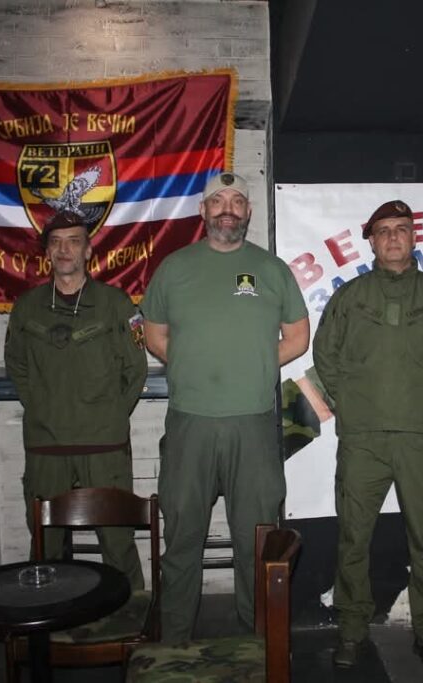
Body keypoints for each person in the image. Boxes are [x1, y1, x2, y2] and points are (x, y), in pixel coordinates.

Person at [142, 172, 310, 643]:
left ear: (248, 212)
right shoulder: (174, 268)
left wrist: (254, 362)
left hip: (252, 426)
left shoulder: (271, 269)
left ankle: (258, 642)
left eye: (237, 201)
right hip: (190, 424)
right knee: (182, 537)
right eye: (219, 201)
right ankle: (174, 641)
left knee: (258, 539)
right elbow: (154, 334)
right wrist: (192, 363)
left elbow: (298, 337)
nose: (228, 209)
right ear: (203, 211)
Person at [313, 200, 423, 673]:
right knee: (353, 538)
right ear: (371, 241)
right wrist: (354, 403)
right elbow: (325, 355)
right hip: (363, 439)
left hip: (421, 439)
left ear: (413, 236)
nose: (392, 238)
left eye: (401, 229)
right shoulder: (350, 297)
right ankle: (351, 630)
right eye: (383, 231)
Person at [4, 210, 148, 591]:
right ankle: (51, 622)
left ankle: (133, 618)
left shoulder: (115, 304)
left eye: (73, 241)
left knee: (118, 544)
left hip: (104, 448)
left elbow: (136, 369)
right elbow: (16, 364)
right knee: (45, 549)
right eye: (55, 242)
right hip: (46, 448)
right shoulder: (28, 307)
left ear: (88, 250)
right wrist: (42, 407)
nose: (64, 250)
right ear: (47, 252)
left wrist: (109, 415)